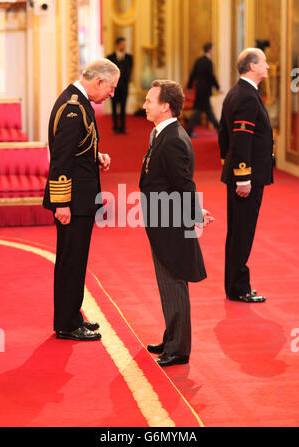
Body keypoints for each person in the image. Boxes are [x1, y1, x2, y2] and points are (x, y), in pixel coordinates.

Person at [43, 58, 120, 341]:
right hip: (72, 201)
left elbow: (76, 148)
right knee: (71, 261)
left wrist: (95, 156)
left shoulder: (79, 101)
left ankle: (72, 316)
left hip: (80, 198)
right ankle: (66, 323)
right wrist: (61, 203)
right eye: (111, 87)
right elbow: (60, 159)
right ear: (99, 81)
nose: (112, 94)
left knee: (76, 261)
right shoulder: (73, 108)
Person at [140, 80, 214, 367]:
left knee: (173, 281)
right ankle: (172, 337)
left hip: (169, 220)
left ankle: (179, 349)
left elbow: (184, 184)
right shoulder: (164, 133)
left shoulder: (172, 139)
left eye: (149, 100)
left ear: (165, 106)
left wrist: (195, 214)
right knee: (166, 281)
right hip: (163, 217)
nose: (145, 105)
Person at [218, 48, 274, 303]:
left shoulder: (237, 92)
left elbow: (223, 136)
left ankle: (234, 284)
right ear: (252, 66)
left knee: (238, 231)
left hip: (241, 173)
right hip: (247, 177)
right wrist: (242, 177)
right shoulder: (247, 96)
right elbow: (240, 138)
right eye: (264, 62)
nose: (268, 67)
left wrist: (228, 165)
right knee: (242, 232)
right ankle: (239, 287)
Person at [186, 42, 221, 137]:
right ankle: (221, 131)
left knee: (200, 111)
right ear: (209, 50)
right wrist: (218, 87)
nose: (213, 51)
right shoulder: (209, 62)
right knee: (206, 112)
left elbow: (192, 74)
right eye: (213, 49)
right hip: (205, 91)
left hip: (199, 89)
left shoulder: (198, 60)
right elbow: (211, 77)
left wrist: (189, 86)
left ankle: (189, 131)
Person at [107, 37, 133, 134]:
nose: (124, 46)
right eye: (122, 44)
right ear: (117, 45)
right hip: (113, 87)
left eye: (125, 44)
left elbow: (129, 71)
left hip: (124, 87)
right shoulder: (110, 57)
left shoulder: (129, 58)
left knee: (123, 108)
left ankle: (123, 127)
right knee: (114, 107)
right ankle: (115, 127)